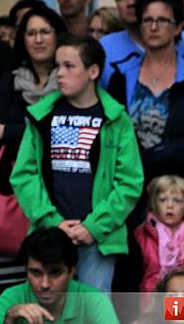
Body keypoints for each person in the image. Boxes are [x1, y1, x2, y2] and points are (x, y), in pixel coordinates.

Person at [10, 35, 143, 292]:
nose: (59, 74)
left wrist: (93, 226)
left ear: (93, 71)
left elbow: (129, 182)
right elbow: (24, 175)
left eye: (69, 66)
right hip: (50, 234)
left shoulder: (116, 118)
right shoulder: (42, 115)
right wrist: (52, 221)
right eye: (57, 66)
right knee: (48, 312)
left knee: (93, 311)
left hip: (97, 237)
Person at [106, 0, 184, 189]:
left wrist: (155, 160)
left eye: (162, 20)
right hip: (127, 190)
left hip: (179, 192)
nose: (153, 27)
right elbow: (110, 138)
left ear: (177, 28)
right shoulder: (121, 77)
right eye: (147, 20)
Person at [0, 4, 68, 187]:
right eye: (31, 33)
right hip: (14, 185)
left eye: (45, 32)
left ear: (57, 35)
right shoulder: (11, 81)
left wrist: (6, 132)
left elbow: (64, 133)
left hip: (62, 182)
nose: (38, 40)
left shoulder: (68, 80)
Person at [0, 228, 118, 324]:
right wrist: (9, 321)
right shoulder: (10, 299)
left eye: (55, 273)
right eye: (36, 273)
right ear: (26, 271)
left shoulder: (94, 300)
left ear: (71, 272)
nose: (45, 284)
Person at [134, 175, 184, 292]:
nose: (169, 205)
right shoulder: (143, 233)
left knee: (176, 308)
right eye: (162, 200)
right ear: (154, 204)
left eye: (177, 200)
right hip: (150, 298)